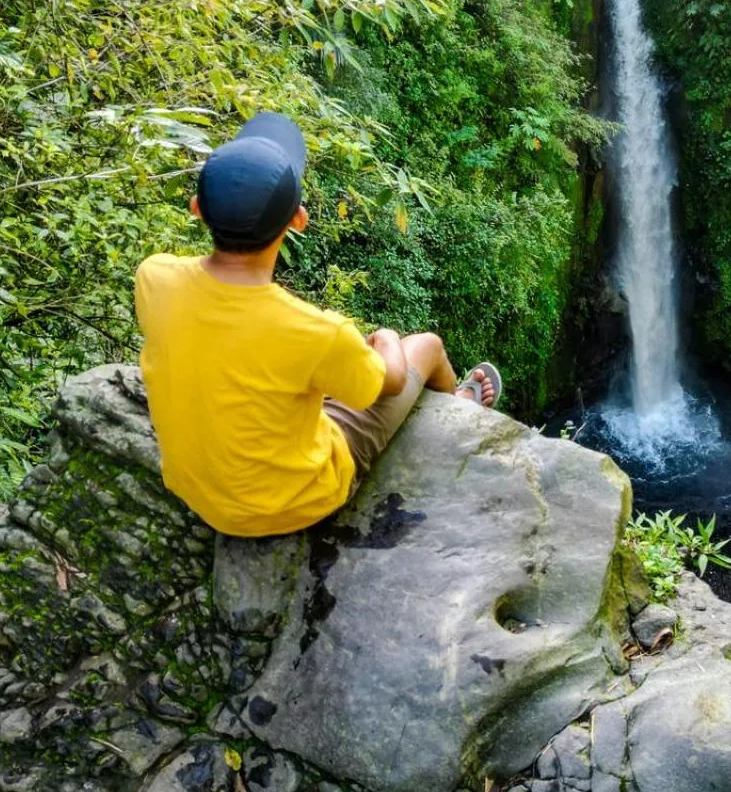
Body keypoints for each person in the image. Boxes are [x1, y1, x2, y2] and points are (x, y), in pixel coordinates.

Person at [134, 112, 501, 538]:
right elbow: (393, 380)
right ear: (298, 221)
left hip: (197, 491)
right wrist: (384, 340)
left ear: (196, 209)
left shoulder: (154, 276)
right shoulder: (316, 333)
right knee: (427, 345)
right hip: (295, 502)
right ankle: (459, 409)